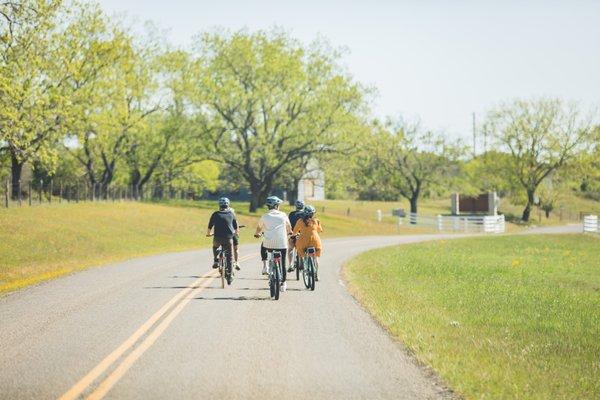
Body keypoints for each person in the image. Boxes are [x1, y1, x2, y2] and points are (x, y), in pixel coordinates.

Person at [254, 196, 292, 292]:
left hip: (268, 244)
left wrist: (257, 234)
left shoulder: (265, 216)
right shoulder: (283, 215)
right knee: (283, 263)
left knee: (263, 245)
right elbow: (289, 227)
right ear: (276, 205)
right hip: (282, 244)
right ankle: (283, 283)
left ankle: (265, 266)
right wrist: (290, 232)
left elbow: (259, 228)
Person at [206, 197, 238, 271]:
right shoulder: (231, 214)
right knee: (229, 255)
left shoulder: (215, 214)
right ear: (228, 205)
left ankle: (216, 260)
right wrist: (236, 233)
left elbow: (210, 225)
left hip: (217, 238)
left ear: (219, 205)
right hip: (228, 238)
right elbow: (235, 226)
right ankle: (229, 274)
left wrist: (208, 234)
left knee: (215, 247)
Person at [293, 204, 323, 280]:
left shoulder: (300, 221)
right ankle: (316, 274)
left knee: (300, 250)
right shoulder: (316, 221)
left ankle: (303, 263)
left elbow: (295, 232)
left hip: (303, 241)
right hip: (315, 241)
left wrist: (293, 235)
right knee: (315, 258)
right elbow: (320, 230)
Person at [287, 200, 305, 271]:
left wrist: (289, 232)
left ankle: (290, 264)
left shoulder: (291, 214)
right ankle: (302, 261)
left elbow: (289, 224)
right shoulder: (305, 214)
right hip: (302, 235)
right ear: (303, 206)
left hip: (293, 234)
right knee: (303, 248)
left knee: (290, 249)